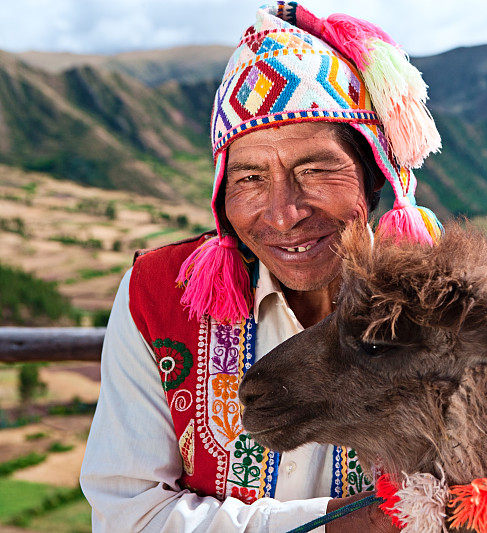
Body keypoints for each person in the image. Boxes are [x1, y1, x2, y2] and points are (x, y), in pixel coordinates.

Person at [79, 2, 442, 531]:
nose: (284, 214)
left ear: (374, 178)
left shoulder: (445, 304)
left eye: (315, 170)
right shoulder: (158, 294)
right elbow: (127, 514)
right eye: (249, 178)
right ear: (220, 193)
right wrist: (348, 525)